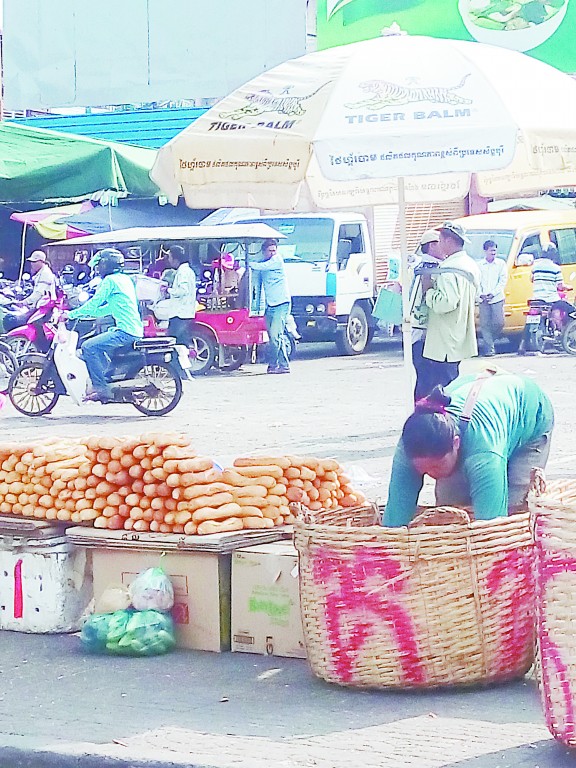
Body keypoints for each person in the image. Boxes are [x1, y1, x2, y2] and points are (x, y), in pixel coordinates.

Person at [384, 371, 554, 527]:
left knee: (513, 510)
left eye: (436, 466)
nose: (432, 474)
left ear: (456, 443)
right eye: (423, 470)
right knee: (450, 511)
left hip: (529, 419)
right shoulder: (409, 446)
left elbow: (493, 529)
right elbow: (395, 516)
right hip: (476, 396)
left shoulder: (484, 455)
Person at [67, 249, 143, 403]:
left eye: (99, 265)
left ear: (106, 265)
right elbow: (108, 308)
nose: (98, 268)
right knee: (98, 345)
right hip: (133, 329)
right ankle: (103, 377)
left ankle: (100, 388)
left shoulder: (109, 281)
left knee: (88, 347)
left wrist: (71, 314)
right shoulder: (124, 279)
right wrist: (86, 313)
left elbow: (94, 303)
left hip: (125, 332)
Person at [420, 221, 480, 390]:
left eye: (440, 240)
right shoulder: (470, 265)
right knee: (452, 379)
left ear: (448, 241)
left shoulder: (448, 269)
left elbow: (446, 303)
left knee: (443, 387)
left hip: (445, 339)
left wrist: (428, 292)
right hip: (459, 332)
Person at [409, 229, 444, 401]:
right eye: (440, 242)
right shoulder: (433, 269)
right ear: (431, 246)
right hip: (427, 332)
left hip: (413, 331)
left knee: (422, 377)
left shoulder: (414, 267)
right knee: (430, 378)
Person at [249, 238, 291, 374]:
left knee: (275, 336)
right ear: (264, 252)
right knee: (275, 337)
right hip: (270, 305)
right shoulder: (264, 263)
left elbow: (259, 267)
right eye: (270, 251)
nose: (272, 253)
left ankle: (273, 364)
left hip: (281, 303)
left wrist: (246, 262)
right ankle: (284, 365)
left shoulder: (277, 260)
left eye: (274, 250)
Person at [152, 245, 196, 344]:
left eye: (170, 257)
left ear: (176, 259)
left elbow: (183, 291)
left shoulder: (183, 272)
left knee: (176, 345)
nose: (169, 260)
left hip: (180, 314)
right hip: (183, 314)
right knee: (181, 344)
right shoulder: (186, 271)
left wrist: (168, 290)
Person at [478, 240, 508, 357]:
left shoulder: (501, 264)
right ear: (485, 251)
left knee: (499, 323)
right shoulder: (479, 266)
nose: (493, 253)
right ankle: (490, 349)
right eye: (491, 250)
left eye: (495, 250)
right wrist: (481, 294)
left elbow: (502, 281)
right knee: (485, 324)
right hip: (483, 299)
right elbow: (476, 281)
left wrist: (493, 293)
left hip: (497, 298)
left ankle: (490, 340)